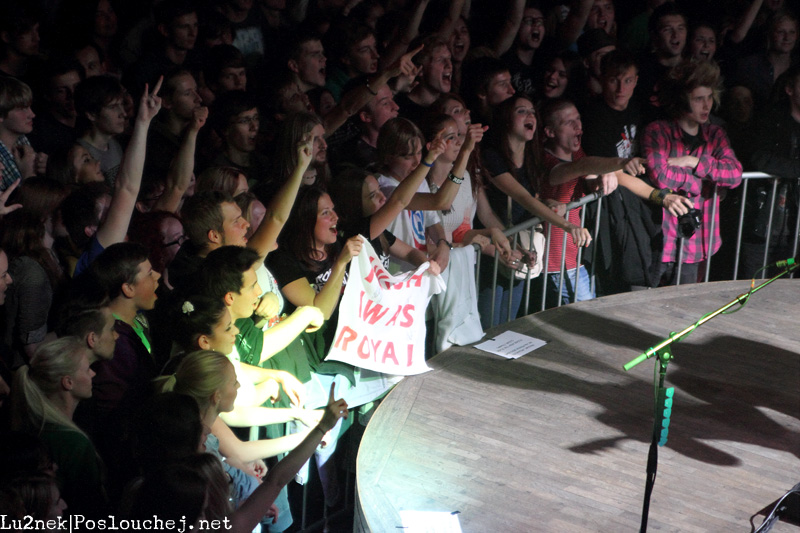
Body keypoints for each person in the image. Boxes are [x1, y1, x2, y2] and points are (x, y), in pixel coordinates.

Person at [643, 60, 743, 285]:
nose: (706, 105)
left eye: (709, 97)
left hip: (696, 244)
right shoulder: (658, 131)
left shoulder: (715, 134)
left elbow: (735, 174)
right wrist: (696, 183)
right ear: (681, 99)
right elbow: (660, 175)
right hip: (660, 241)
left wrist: (694, 162)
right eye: (699, 99)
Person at [10, 337, 109, 517]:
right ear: (68, 382)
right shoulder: (73, 443)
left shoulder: (28, 427)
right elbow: (91, 509)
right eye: (87, 369)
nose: (93, 374)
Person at [0, 77, 40, 192]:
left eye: (29, 107)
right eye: (22, 109)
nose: (32, 114)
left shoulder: (23, 140)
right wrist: (28, 174)